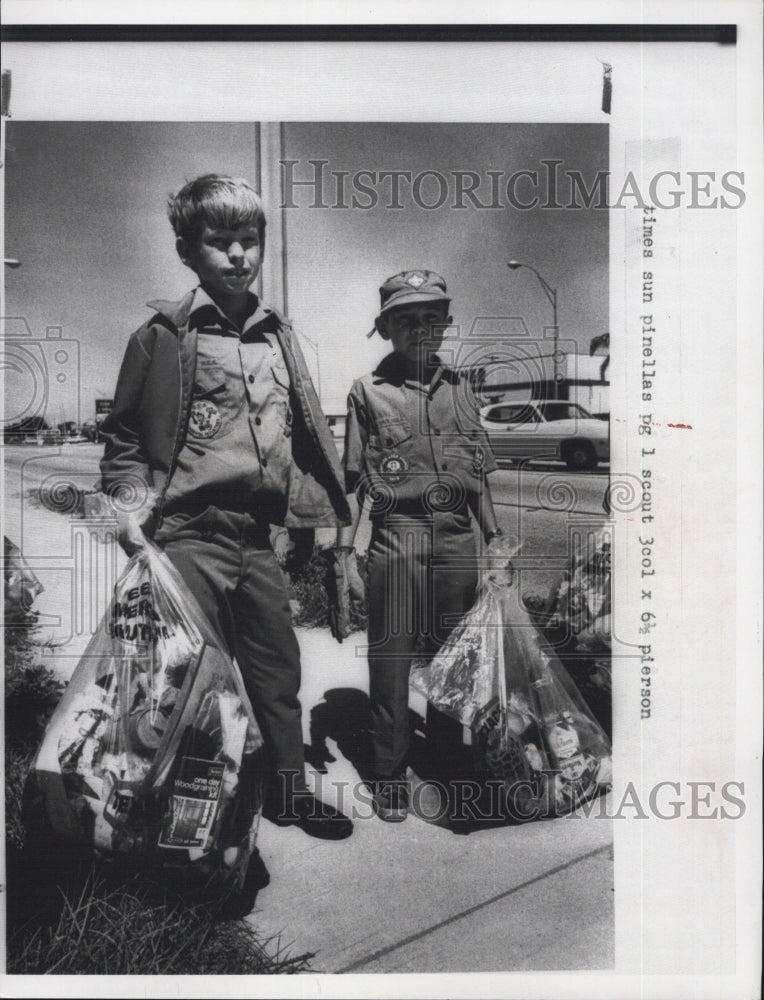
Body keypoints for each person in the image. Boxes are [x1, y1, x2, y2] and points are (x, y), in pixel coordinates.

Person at [99, 174, 353, 843]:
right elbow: (124, 436)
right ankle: (197, 817)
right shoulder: (162, 336)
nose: (238, 254)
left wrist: (305, 521)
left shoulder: (279, 338)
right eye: (219, 241)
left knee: (277, 671)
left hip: (258, 538)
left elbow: (296, 436)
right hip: (188, 534)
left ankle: (288, 794)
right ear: (188, 250)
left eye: (249, 239)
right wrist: (129, 506)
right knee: (192, 678)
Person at [327, 269, 504, 822]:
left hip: (457, 540)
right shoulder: (366, 391)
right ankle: (389, 775)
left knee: (454, 658)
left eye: (431, 318)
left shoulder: (463, 389)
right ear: (385, 329)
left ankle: (447, 763)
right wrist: (343, 557)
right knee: (391, 662)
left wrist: (496, 542)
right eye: (405, 320)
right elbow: (353, 483)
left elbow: (480, 476)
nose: (419, 329)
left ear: (446, 325)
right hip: (396, 540)